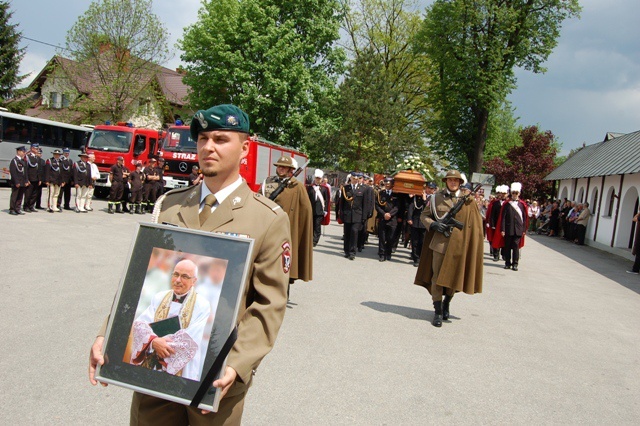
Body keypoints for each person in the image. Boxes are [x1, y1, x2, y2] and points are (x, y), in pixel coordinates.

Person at [89, 104, 291, 424]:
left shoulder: (267, 219)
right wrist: (108, 334)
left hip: (214, 378)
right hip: (153, 378)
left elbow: (269, 304)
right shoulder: (169, 207)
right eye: (203, 139)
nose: (208, 147)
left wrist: (237, 365)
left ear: (245, 148)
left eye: (221, 139)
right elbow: (137, 282)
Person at [414, 170, 484, 327]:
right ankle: (437, 310)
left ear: (460, 182)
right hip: (440, 244)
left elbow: (474, 223)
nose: (453, 183)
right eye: (450, 180)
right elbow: (424, 216)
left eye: (456, 180)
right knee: (437, 277)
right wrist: (433, 224)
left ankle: (447, 303)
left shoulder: (467, 200)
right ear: (446, 181)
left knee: (453, 278)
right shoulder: (436, 198)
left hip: (458, 246)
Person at [129, 259, 210, 381]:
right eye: (176, 274)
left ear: (194, 281)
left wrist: (162, 345)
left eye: (184, 276)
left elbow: (191, 339)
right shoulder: (159, 297)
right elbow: (140, 324)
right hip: (152, 361)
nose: (178, 280)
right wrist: (153, 341)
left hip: (182, 368)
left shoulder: (202, 305)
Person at [261, 155, 313, 285]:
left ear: (291, 170)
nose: (281, 169)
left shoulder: (297, 186)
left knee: (284, 265)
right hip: (268, 228)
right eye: (279, 166)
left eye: (284, 167)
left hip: (285, 230)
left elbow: (305, 211)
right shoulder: (268, 182)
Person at [492, 182, 528, 271]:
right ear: (511, 193)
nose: (515, 195)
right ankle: (507, 263)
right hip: (508, 229)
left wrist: (524, 229)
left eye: (516, 193)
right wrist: (502, 229)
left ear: (519, 194)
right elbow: (503, 218)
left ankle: (515, 264)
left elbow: (525, 218)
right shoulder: (507, 204)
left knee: (516, 247)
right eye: (513, 193)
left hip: (518, 229)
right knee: (507, 247)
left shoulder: (522, 204)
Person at [338, 173, 369, 260]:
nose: (355, 180)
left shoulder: (363, 189)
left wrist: (364, 217)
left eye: (357, 178)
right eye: (353, 178)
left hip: (357, 215)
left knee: (354, 232)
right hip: (347, 214)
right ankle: (347, 251)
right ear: (350, 178)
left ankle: (352, 252)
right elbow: (342, 204)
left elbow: (365, 204)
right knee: (347, 233)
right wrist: (341, 215)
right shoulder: (345, 188)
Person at [375, 177, 399, 262]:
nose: (387, 184)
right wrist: (384, 214)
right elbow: (377, 205)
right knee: (382, 237)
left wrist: (390, 214)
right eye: (386, 183)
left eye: (389, 183)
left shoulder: (397, 194)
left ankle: (388, 253)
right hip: (383, 218)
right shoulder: (381, 193)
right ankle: (381, 254)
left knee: (390, 238)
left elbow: (397, 207)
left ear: (392, 184)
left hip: (392, 219)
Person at [306, 169, 330, 247]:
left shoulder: (324, 189)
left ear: (321, 179)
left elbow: (327, 200)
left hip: (320, 210)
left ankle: (314, 241)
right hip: (311, 209)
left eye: (319, 178)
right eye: (316, 178)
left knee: (317, 226)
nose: (318, 180)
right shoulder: (310, 188)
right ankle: (310, 239)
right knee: (311, 225)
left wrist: (326, 210)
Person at [407, 183, 428, 267]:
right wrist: (409, 218)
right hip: (415, 222)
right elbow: (411, 208)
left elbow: (429, 209)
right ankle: (416, 258)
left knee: (422, 241)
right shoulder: (415, 197)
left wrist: (425, 200)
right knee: (414, 241)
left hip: (424, 223)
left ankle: (421, 256)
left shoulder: (431, 198)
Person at [486, 185, 507, 261]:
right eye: (501, 193)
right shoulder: (495, 203)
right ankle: (496, 255)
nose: (502, 195)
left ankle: (504, 254)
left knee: (504, 240)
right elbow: (492, 214)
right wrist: (492, 224)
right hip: (496, 224)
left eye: (504, 193)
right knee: (496, 240)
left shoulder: (508, 203)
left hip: (505, 224)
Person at [9, 145, 28, 215]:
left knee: (20, 196)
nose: (24, 153)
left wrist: (26, 180)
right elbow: (13, 172)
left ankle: (17, 208)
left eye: (24, 151)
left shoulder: (23, 161)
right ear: (18, 152)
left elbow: (25, 172)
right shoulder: (14, 161)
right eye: (23, 151)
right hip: (16, 182)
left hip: (22, 182)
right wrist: (16, 182)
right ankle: (12, 209)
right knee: (14, 196)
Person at [23, 143, 42, 213]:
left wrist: (40, 179)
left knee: (34, 194)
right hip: (30, 179)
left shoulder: (37, 158)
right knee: (28, 194)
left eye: (37, 149)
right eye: (36, 149)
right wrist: (27, 179)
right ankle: (26, 206)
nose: (37, 150)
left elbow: (39, 169)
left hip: (36, 179)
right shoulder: (27, 157)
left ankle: (31, 206)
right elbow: (26, 169)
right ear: (32, 148)